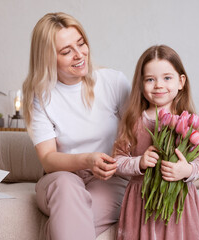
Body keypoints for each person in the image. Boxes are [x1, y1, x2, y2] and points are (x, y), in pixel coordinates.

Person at [22, 12, 131, 240]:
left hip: (109, 179)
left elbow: (138, 132)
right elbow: (48, 160)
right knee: (64, 184)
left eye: (81, 44)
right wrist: (88, 159)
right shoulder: (40, 96)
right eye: (66, 51)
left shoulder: (113, 82)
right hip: (61, 179)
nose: (79, 54)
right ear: (48, 58)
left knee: (68, 225)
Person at [113, 45, 199, 240]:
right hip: (142, 201)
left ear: (181, 81)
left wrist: (187, 170)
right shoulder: (134, 121)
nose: (158, 85)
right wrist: (139, 162)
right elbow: (117, 161)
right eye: (150, 79)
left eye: (167, 78)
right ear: (141, 84)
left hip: (178, 202)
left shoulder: (189, 122)